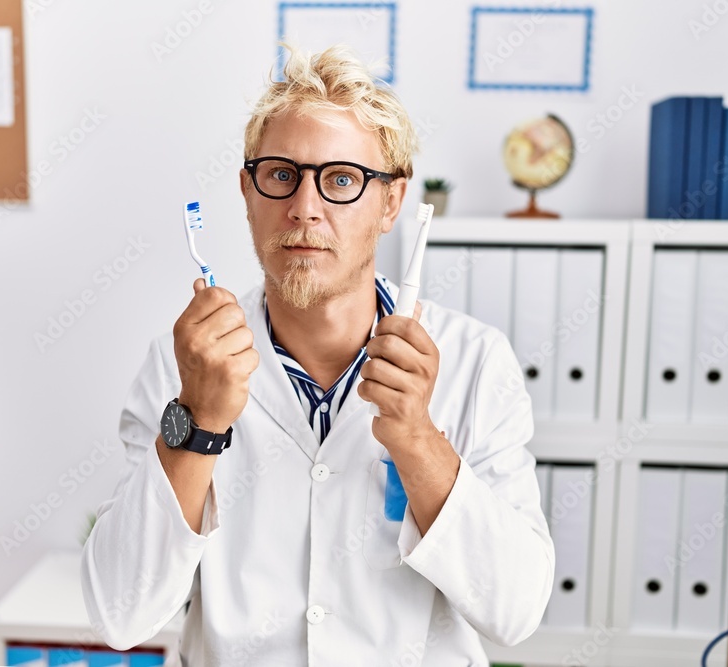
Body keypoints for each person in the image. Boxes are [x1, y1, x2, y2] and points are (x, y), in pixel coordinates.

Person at [81, 44, 554, 666]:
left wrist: (416, 439)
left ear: (390, 203)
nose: (305, 208)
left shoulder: (476, 361)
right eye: (281, 175)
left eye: (340, 180)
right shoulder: (186, 363)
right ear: (248, 191)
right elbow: (121, 613)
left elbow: (514, 611)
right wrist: (197, 421)